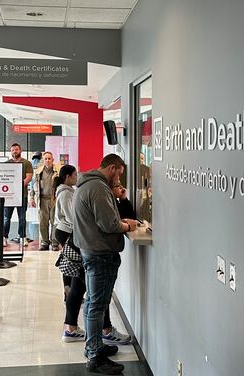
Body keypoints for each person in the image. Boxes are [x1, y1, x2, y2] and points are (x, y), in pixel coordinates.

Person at [73, 154, 138, 374]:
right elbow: (109, 224)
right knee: (97, 305)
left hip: (92, 249)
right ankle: (94, 357)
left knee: (93, 302)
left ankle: (94, 346)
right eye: (119, 173)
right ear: (112, 168)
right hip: (99, 253)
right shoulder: (98, 188)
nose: (119, 179)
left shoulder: (89, 184)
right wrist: (128, 225)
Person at [2, 143, 33, 246]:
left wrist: (16, 187)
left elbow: (28, 177)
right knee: (6, 218)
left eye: (16, 149)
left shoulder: (26, 163)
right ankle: (4, 237)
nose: (15, 151)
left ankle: (22, 237)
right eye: (13, 150)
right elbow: (4, 178)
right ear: (10, 152)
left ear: (20, 150)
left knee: (22, 218)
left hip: (22, 195)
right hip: (9, 196)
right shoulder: (6, 164)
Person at [30, 151, 59, 251]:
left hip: (54, 199)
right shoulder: (38, 172)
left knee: (55, 222)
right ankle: (45, 242)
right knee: (43, 222)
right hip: (42, 199)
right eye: (45, 159)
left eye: (49, 158)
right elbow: (33, 186)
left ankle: (55, 242)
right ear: (43, 160)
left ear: (53, 160)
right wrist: (31, 198)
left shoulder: (58, 172)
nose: (47, 160)